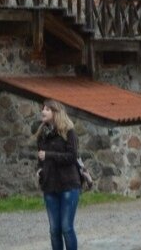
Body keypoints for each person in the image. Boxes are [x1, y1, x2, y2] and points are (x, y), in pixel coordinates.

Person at [36, 100, 81, 250]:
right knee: (54, 230)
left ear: (56, 112)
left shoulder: (69, 132)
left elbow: (72, 157)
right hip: (50, 187)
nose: (43, 111)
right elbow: (40, 159)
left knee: (66, 228)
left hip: (68, 186)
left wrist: (48, 155)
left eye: (47, 109)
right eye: (43, 108)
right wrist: (40, 170)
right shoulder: (42, 135)